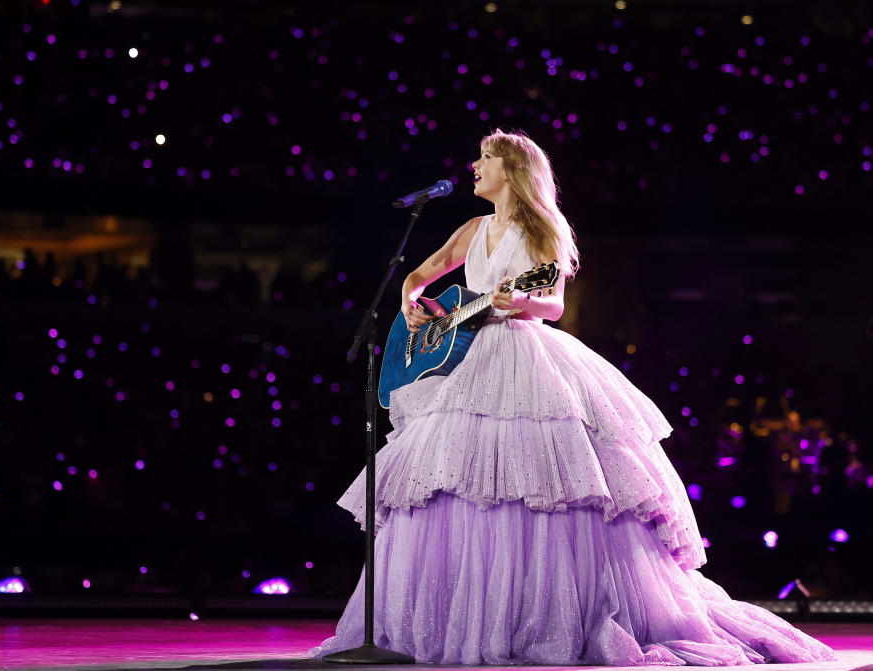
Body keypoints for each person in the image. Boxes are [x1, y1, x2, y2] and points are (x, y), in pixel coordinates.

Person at [309, 130, 835, 665]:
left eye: (486, 159)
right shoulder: (471, 228)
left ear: (513, 170)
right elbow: (419, 276)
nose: (474, 166)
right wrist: (413, 306)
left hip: (523, 356)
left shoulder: (541, 229)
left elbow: (553, 304)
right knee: (454, 479)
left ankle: (542, 614)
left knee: (539, 482)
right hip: (467, 360)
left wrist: (512, 304)